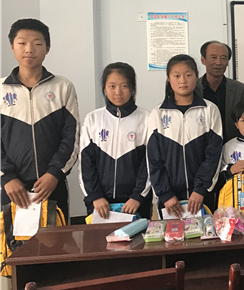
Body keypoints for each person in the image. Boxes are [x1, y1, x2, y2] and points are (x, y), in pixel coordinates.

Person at [1, 18, 79, 223]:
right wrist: (7, 177)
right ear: (12, 46)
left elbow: (71, 137)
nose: (29, 49)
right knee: (12, 242)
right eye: (22, 43)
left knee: (56, 240)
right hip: (10, 189)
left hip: (51, 186)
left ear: (47, 48)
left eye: (37, 43)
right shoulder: (1, 90)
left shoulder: (62, 87)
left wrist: (54, 173)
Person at [147, 54, 224, 218]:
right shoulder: (157, 113)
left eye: (188, 75)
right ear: (168, 78)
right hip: (169, 201)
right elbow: (153, 160)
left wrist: (200, 189)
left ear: (196, 76)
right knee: (171, 234)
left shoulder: (210, 110)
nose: (183, 80)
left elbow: (214, 155)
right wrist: (166, 194)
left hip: (202, 195)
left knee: (206, 233)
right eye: (176, 76)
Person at [79, 62, 152, 219]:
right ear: (105, 88)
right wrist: (95, 196)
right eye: (112, 86)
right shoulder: (93, 119)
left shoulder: (146, 119)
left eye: (124, 86)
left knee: (137, 236)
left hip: (135, 203)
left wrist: (138, 196)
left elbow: (150, 163)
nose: (118, 92)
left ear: (132, 88)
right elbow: (85, 163)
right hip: (100, 204)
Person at [200, 40, 244, 142]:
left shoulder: (239, 89)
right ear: (203, 60)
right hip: (201, 146)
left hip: (232, 146)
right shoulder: (193, 88)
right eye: (213, 57)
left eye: (223, 58)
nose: (218, 62)